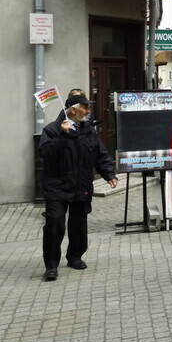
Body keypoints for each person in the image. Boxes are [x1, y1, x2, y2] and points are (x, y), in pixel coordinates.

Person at [38, 93, 118, 281]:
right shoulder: (52, 129)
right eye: (85, 107)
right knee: (54, 223)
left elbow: (100, 154)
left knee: (79, 224)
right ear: (73, 110)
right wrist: (62, 136)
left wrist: (109, 174)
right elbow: (45, 152)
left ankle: (75, 257)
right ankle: (51, 265)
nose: (89, 111)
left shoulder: (88, 131)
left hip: (81, 185)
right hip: (57, 187)